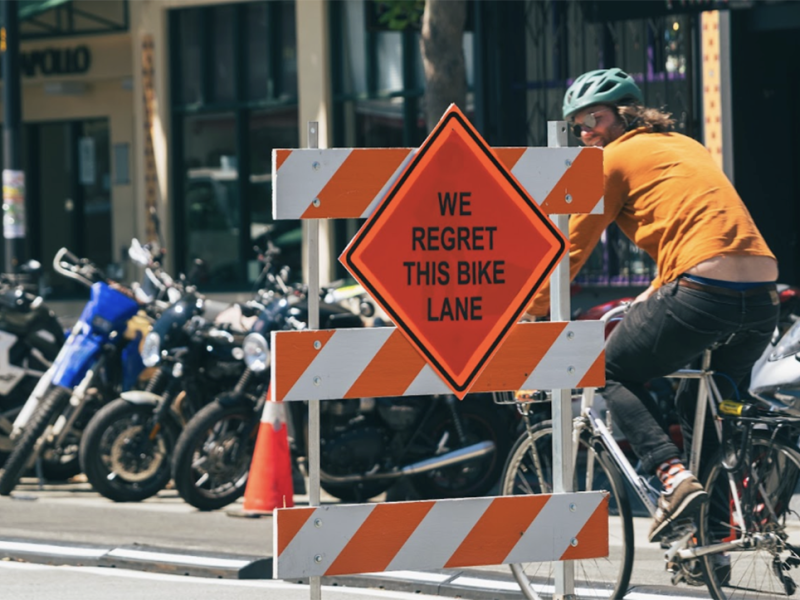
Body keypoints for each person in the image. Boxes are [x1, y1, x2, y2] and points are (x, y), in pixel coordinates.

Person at [527, 67, 780, 543]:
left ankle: (671, 477)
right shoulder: (686, 144)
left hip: (706, 294)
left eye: (593, 120)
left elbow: (572, 247)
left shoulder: (610, 160)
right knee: (703, 410)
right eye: (577, 125)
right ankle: (712, 544)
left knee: (608, 368)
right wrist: (659, 285)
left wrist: (536, 310)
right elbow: (698, 222)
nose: (585, 133)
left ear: (623, 114)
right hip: (762, 296)